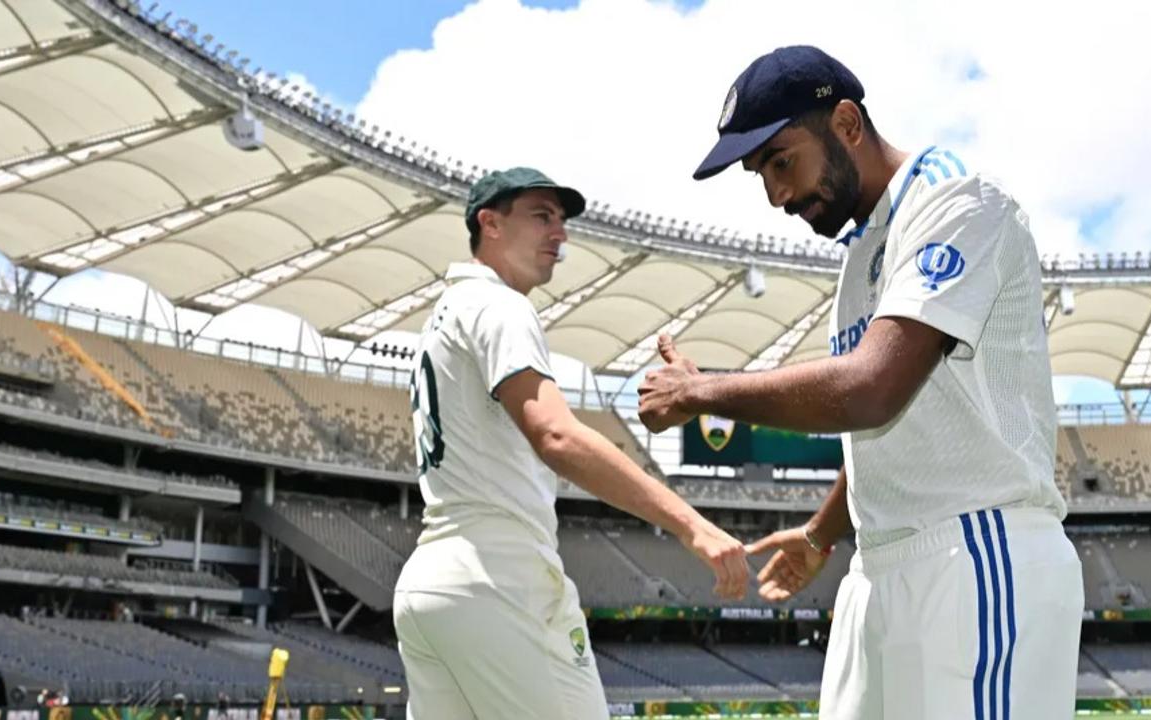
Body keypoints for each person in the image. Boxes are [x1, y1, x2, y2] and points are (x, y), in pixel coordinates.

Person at [638, 46, 1083, 720]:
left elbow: (871, 389)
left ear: (846, 123)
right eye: (761, 175)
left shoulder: (958, 201)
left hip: (975, 553)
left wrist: (701, 393)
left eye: (781, 162)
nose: (776, 195)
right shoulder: (863, 251)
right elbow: (887, 427)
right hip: (878, 567)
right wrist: (821, 533)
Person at [393, 167, 749, 720]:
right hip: (499, 576)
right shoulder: (500, 305)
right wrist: (693, 525)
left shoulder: (444, 314)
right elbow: (555, 433)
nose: (559, 233)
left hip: (430, 584)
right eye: (541, 215)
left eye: (562, 220)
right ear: (489, 222)